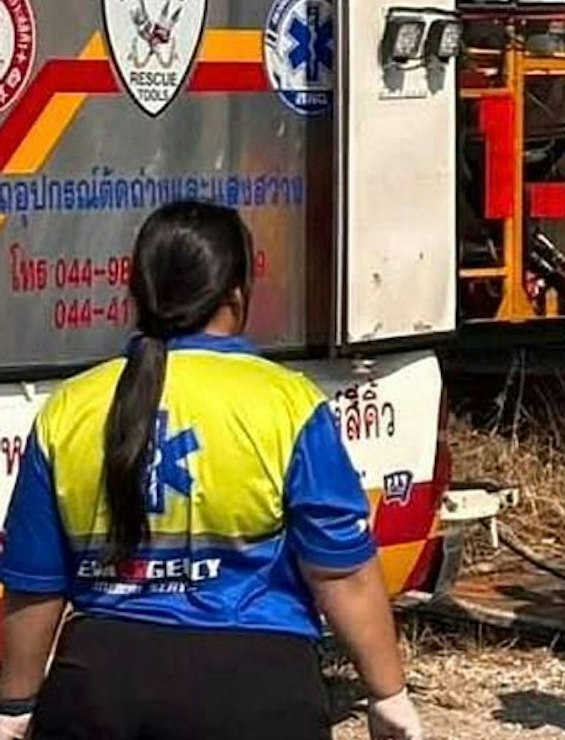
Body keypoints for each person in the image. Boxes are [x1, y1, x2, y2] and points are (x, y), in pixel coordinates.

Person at [0, 200, 420, 740]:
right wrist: (388, 693)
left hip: (99, 692)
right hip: (257, 695)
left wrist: (16, 702)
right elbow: (339, 570)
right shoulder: (287, 404)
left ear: (138, 294)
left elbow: (34, 584)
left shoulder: (69, 408)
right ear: (237, 292)